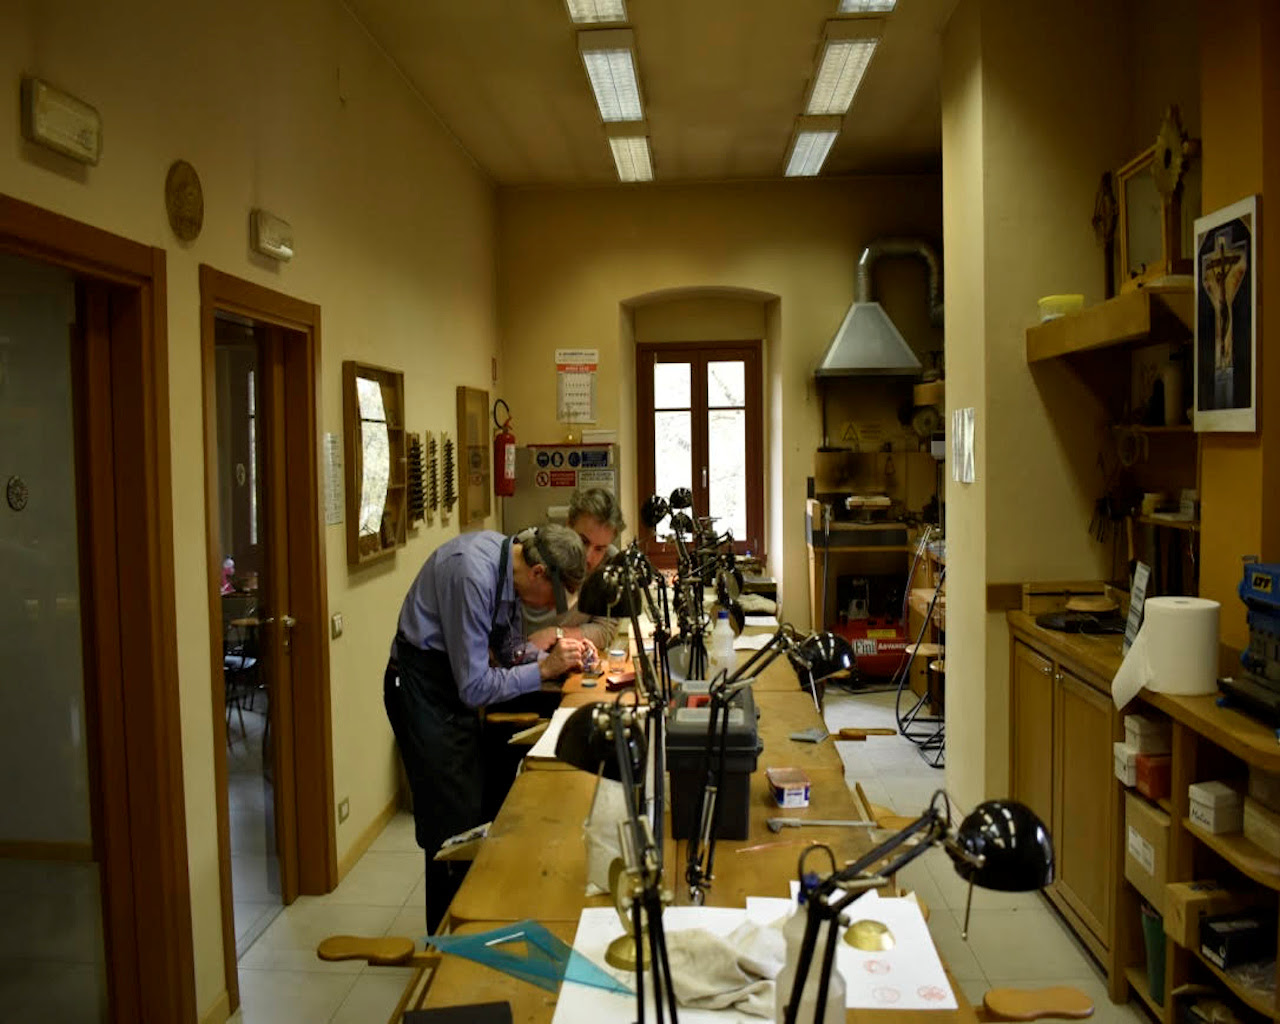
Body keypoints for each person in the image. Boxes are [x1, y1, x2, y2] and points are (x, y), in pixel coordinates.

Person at [384, 524, 588, 932]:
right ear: (538, 573)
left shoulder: (506, 566)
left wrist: (553, 657)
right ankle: (446, 943)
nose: (549, 609)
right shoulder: (471, 575)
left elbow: (507, 649)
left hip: (452, 687)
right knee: (450, 826)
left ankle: (477, 923)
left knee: (476, 807)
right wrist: (543, 671)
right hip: (423, 688)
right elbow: (475, 686)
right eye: (552, 599)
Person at [522, 487, 627, 651]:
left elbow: (604, 631)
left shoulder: (611, 564)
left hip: (568, 655)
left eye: (599, 549)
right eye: (583, 541)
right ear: (568, 525)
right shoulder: (536, 548)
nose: (587, 557)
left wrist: (556, 634)